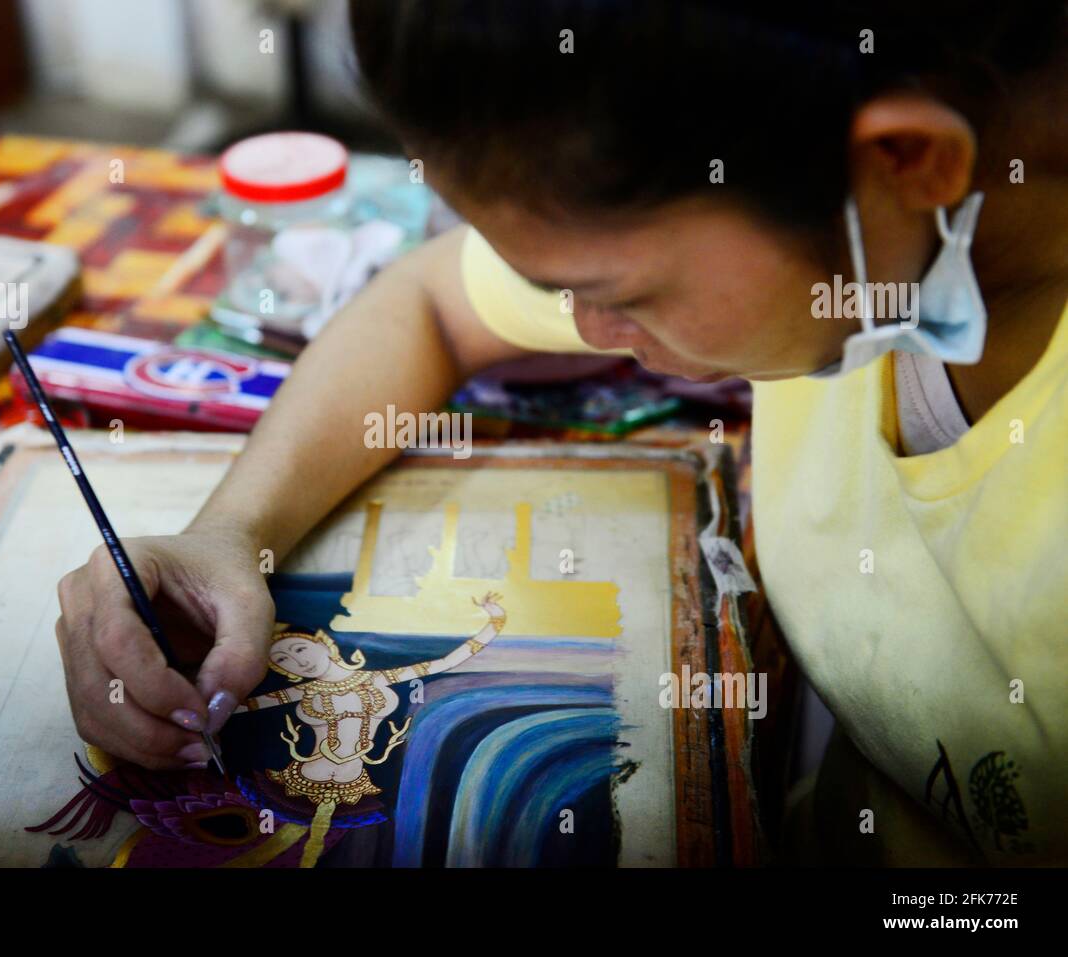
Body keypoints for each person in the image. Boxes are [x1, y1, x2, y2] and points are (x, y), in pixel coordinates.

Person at [52, 2, 1068, 864]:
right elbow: (431, 303)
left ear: (904, 160)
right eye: (556, 289)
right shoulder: (851, 224)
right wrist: (231, 531)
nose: (588, 334)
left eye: (615, 292)